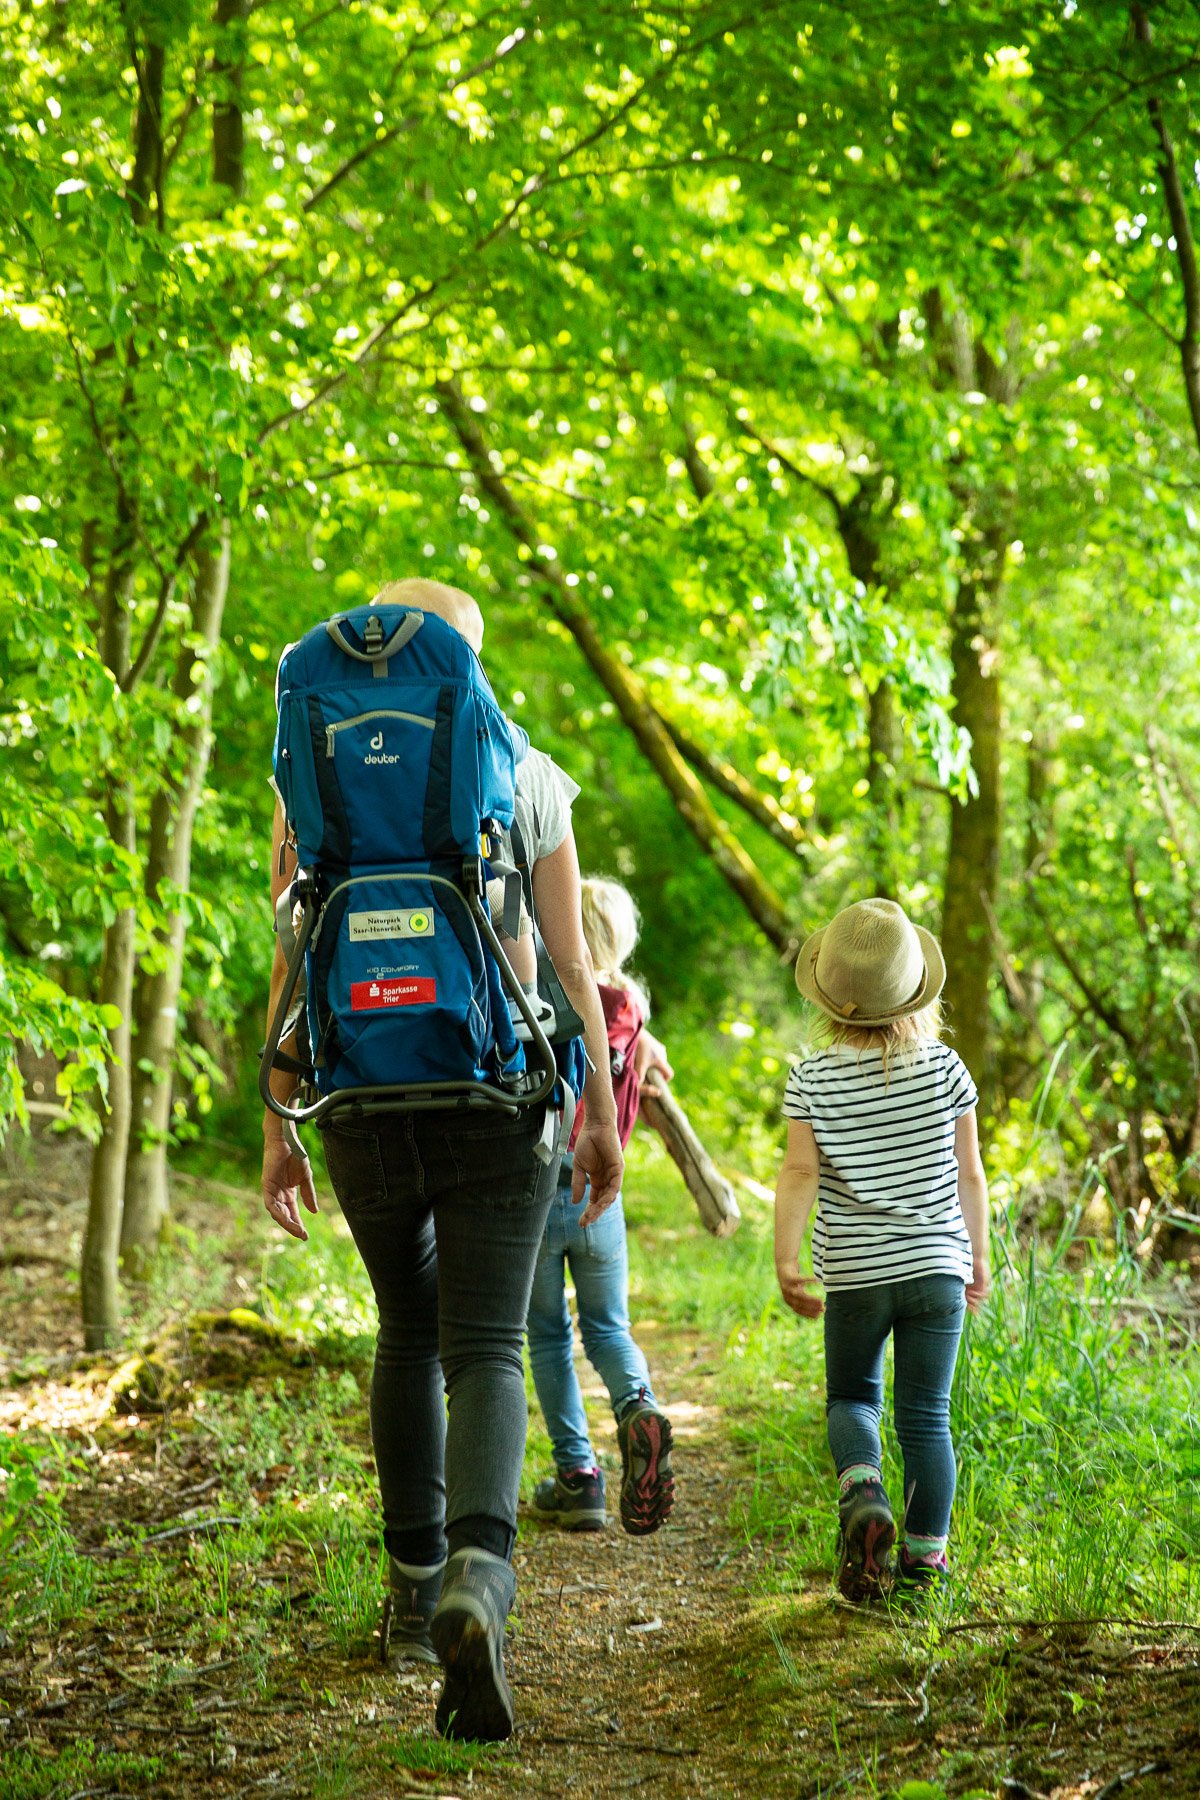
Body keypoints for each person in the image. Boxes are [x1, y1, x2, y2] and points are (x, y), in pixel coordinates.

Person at [260, 578, 624, 1742]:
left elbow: (294, 939)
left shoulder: (311, 759)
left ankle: (412, 1597)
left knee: (405, 1334)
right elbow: (572, 966)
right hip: (496, 1087)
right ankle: (481, 1576)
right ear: (470, 658)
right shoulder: (528, 769)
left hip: (359, 1091)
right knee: (484, 1343)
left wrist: (278, 1115)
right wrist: (602, 1107)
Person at [773, 897, 991, 1601]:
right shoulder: (948, 1069)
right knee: (928, 1415)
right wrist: (977, 1258)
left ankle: (864, 1491)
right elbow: (969, 1172)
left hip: (857, 1272)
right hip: (936, 1268)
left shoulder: (812, 1078)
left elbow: (800, 1173)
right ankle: (925, 1565)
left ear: (829, 994)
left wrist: (787, 1259)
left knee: (852, 1399)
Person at [526, 877, 677, 1536]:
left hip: (533, 1190)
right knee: (608, 1329)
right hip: (600, 1193)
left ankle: (578, 1477)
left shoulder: (534, 996)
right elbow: (637, 1048)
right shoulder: (629, 1010)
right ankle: (637, 1405)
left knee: (549, 1336)